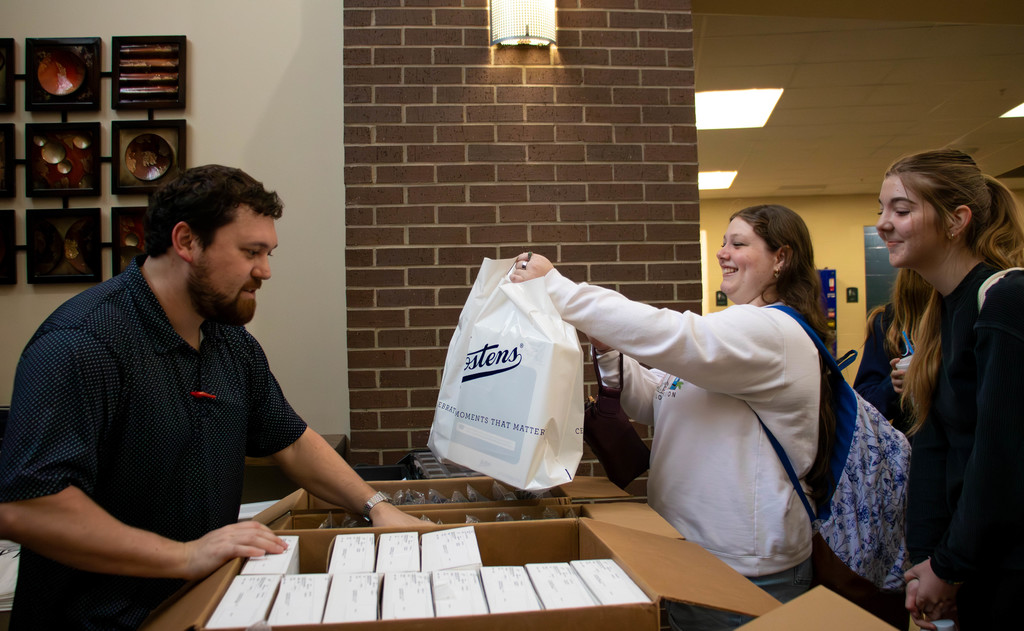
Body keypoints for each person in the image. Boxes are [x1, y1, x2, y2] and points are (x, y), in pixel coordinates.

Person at [0, 165, 421, 629]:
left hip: (199, 605)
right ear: (186, 242)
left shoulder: (229, 342)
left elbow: (292, 441)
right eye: (250, 252)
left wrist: (376, 507)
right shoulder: (81, 343)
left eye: (268, 254)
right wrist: (185, 556)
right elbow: (30, 507)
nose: (265, 271)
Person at [512, 204, 836, 630]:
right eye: (724, 242)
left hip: (743, 571)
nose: (722, 252)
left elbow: (674, 334)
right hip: (689, 554)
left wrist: (559, 289)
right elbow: (655, 400)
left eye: (739, 243)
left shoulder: (774, 332)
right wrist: (608, 348)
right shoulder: (734, 331)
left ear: (781, 258)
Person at [876, 149, 1024, 630]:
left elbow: (998, 458)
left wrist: (948, 566)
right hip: (970, 564)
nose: (883, 223)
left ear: (957, 220)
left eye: (901, 210)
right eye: (882, 209)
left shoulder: (1005, 301)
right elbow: (934, 445)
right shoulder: (941, 310)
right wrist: (928, 562)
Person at [853, 268, 931, 434]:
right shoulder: (887, 323)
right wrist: (893, 385)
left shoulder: (959, 313)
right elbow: (864, 406)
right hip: (911, 438)